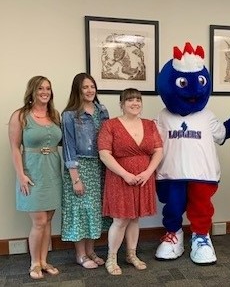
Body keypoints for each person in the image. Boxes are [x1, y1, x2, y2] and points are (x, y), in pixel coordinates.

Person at [98, 88, 163, 275]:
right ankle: (111, 258)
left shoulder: (149, 125)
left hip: (143, 177)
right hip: (120, 178)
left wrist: (148, 172)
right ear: (121, 104)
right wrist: (125, 174)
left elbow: (158, 150)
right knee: (120, 220)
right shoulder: (110, 125)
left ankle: (131, 254)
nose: (135, 103)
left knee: (135, 218)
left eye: (138, 100)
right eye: (130, 100)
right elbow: (104, 154)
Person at [8, 76, 62, 279]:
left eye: (48, 88)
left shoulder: (54, 114)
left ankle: (44, 261)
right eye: (40, 88)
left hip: (52, 171)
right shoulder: (20, 116)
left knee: (48, 219)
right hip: (32, 171)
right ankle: (34, 263)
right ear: (32, 90)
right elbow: (14, 148)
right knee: (39, 220)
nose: (45, 91)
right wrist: (21, 175)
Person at [61, 73, 109, 269]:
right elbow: (68, 147)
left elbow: (108, 140)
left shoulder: (102, 110)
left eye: (92, 86)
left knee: (94, 211)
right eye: (85, 87)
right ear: (77, 90)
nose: (90, 91)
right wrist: (75, 179)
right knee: (80, 211)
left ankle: (91, 251)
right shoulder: (69, 115)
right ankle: (80, 254)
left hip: (100, 166)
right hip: (79, 167)